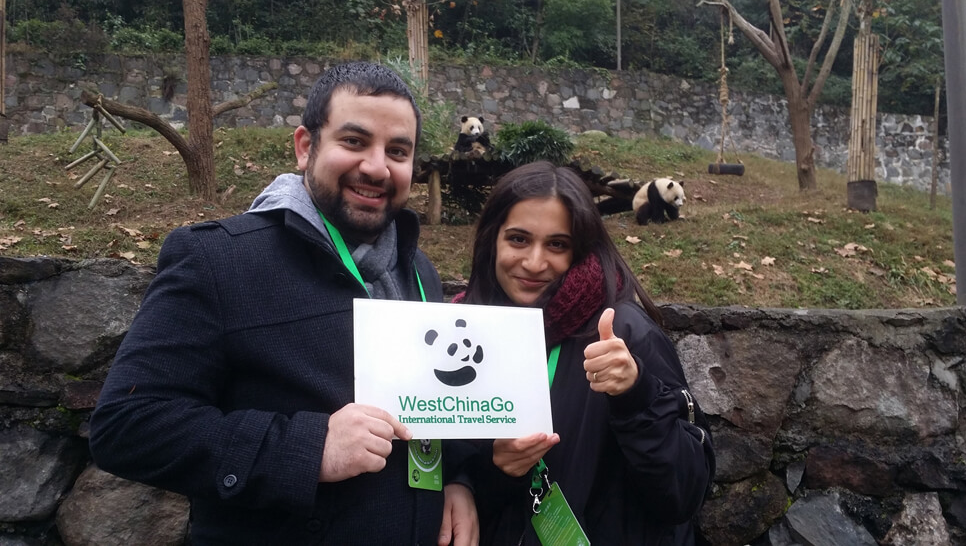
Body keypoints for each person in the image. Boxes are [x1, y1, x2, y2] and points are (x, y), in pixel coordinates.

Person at [89, 62, 478, 546]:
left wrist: (455, 480)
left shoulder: (416, 268)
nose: (377, 166)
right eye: (354, 142)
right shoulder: (216, 259)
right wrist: (310, 450)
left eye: (397, 151)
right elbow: (127, 426)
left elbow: (427, 406)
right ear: (305, 147)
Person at [455, 161, 715, 545]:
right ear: (493, 239)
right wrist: (493, 472)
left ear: (582, 249)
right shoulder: (468, 335)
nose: (534, 262)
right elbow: (463, 477)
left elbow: (684, 495)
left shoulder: (623, 333)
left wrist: (636, 394)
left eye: (557, 244)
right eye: (518, 239)